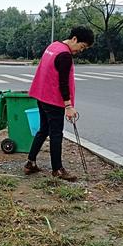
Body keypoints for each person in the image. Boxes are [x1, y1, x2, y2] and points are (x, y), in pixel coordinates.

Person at [24, 26, 94, 181]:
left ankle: (30, 162)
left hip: (41, 96)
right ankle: (57, 169)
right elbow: (63, 83)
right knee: (56, 134)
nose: (80, 51)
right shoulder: (65, 55)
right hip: (53, 100)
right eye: (81, 46)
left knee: (43, 130)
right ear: (74, 39)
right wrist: (68, 106)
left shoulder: (53, 46)